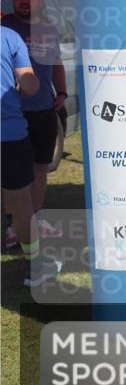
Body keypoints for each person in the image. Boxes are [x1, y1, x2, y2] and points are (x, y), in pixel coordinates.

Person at [2, 0, 66, 247]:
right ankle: (12, 225)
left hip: (43, 109)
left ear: (41, 0)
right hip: (14, 112)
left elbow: (57, 62)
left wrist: (61, 91)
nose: (23, 0)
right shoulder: (7, 26)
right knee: (13, 172)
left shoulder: (49, 28)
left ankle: (36, 217)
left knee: (41, 166)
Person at [2, 26, 61, 286]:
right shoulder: (9, 37)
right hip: (9, 134)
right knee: (20, 205)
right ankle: (34, 267)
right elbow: (29, 85)